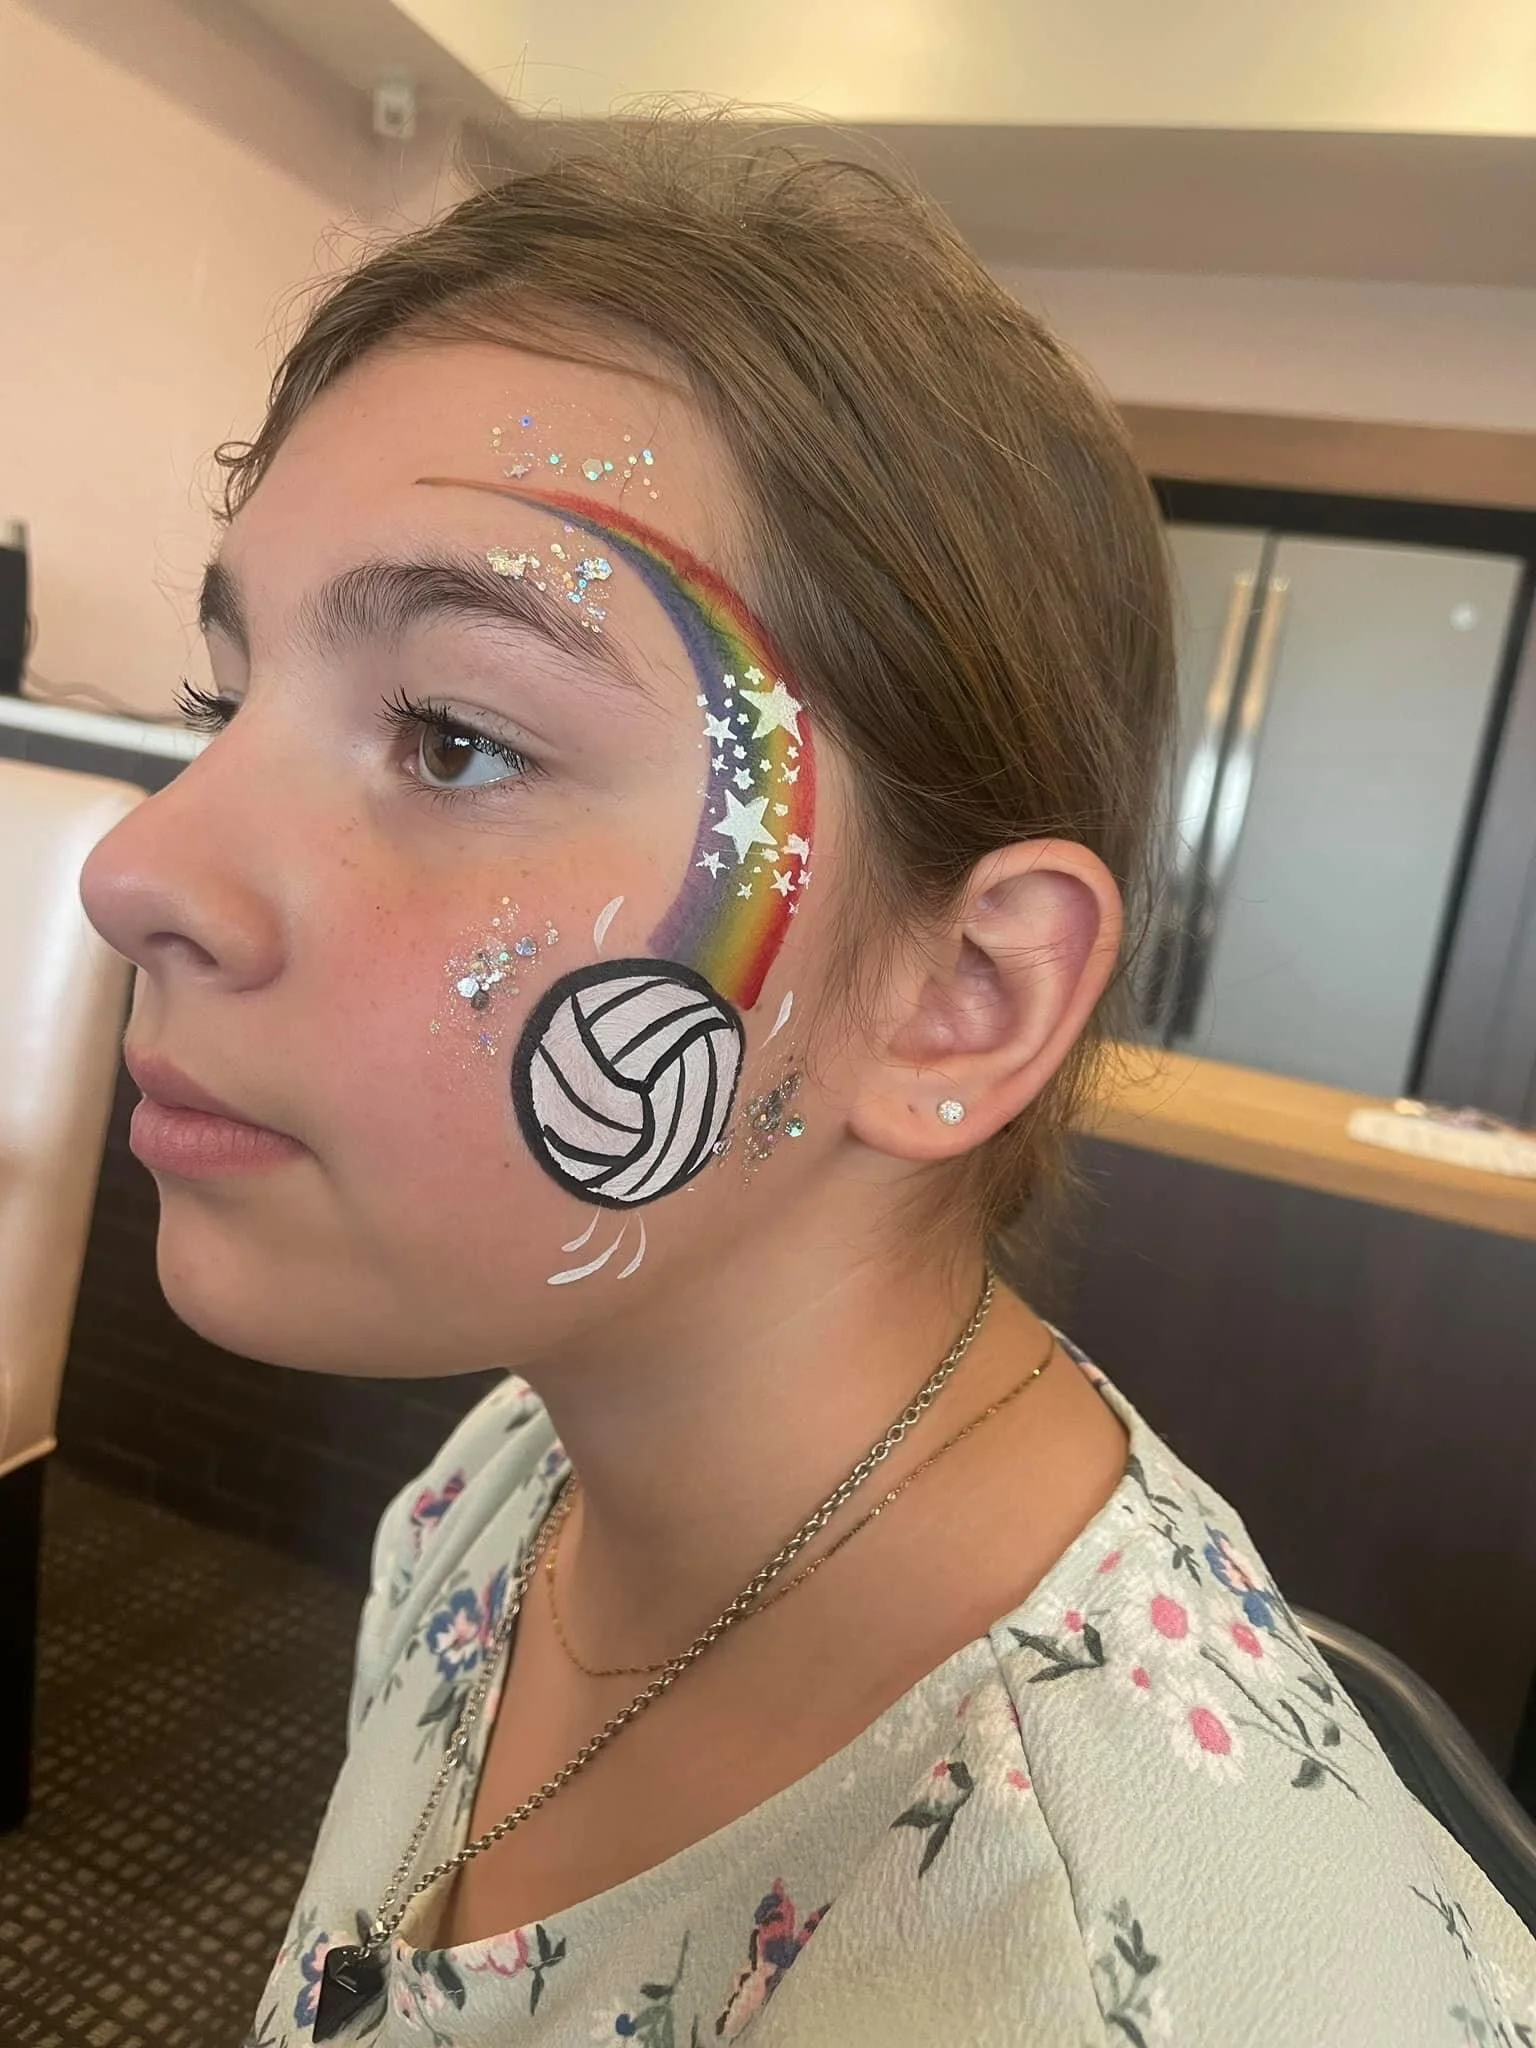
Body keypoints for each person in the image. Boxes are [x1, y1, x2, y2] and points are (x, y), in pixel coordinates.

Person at [81, 123, 1535, 2047]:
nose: (140, 867)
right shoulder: (506, 1480)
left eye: (453, 736)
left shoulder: (1117, 1984)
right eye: (225, 696)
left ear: (958, 1000)